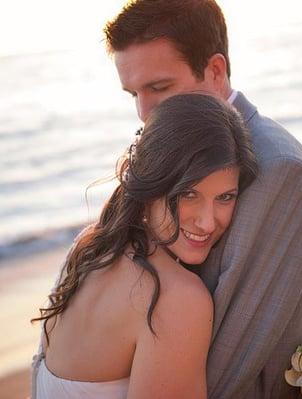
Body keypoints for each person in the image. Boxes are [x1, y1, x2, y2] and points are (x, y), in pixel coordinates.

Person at [104, 1, 302, 398]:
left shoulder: (275, 168)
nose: (143, 112)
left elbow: (232, 359)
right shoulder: (188, 153)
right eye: (133, 93)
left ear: (216, 72)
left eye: (159, 88)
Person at [30, 93, 258, 398]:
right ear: (151, 184)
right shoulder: (176, 299)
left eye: (225, 198)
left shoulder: (87, 248)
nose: (207, 222)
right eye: (188, 194)